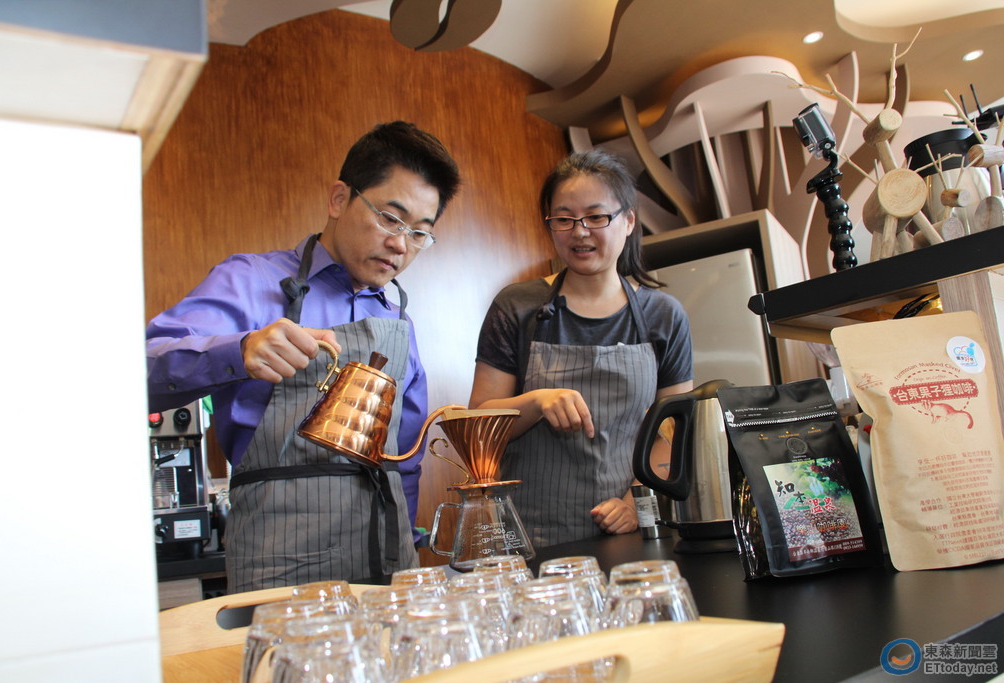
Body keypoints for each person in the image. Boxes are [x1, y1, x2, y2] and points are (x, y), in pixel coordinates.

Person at [146, 121, 461, 591]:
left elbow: (404, 459)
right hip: (278, 559)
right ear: (339, 199)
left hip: (385, 560)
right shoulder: (249, 281)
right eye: (390, 219)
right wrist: (239, 350)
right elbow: (140, 369)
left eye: (419, 233)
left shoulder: (399, 322)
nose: (400, 244)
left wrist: (407, 551)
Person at [468, 150, 693, 548]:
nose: (580, 231)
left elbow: (674, 429)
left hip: (631, 531)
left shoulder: (663, 316)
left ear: (628, 221)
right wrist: (536, 402)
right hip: (529, 535)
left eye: (596, 216)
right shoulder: (517, 305)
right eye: (564, 219)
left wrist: (636, 499)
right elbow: (477, 428)